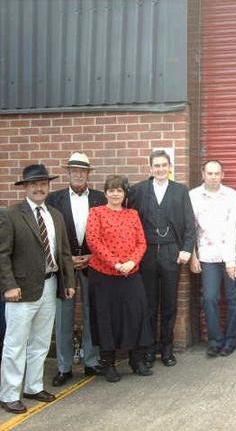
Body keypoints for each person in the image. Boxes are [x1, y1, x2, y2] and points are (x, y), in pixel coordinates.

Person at [0, 164, 75, 414]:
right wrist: (9, 286)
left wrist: (69, 282)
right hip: (20, 290)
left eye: (43, 184)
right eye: (34, 184)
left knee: (40, 342)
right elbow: (2, 254)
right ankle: (9, 394)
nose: (39, 188)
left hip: (50, 284)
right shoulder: (11, 215)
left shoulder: (55, 215)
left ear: (48, 187)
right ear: (25, 187)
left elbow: (64, 252)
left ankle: (33, 386)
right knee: (15, 345)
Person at [129, 150, 196, 367]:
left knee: (169, 303)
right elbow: (129, 222)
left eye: (164, 165)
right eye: (156, 165)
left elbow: (190, 223)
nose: (160, 169)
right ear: (150, 168)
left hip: (171, 252)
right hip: (146, 252)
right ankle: (149, 349)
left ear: (170, 167)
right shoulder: (139, 190)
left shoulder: (180, 190)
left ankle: (167, 349)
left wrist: (186, 249)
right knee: (148, 304)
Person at [46, 153, 107, 387]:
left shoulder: (100, 198)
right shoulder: (54, 199)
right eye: (74, 170)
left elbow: (106, 232)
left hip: (94, 262)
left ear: (88, 173)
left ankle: (91, 361)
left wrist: (94, 255)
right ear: (68, 173)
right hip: (65, 264)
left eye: (83, 171)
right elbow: (49, 234)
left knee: (93, 312)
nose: (79, 174)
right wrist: (66, 258)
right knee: (64, 315)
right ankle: (64, 367)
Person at [86, 175, 154, 383]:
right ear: (105, 192)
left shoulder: (132, 214)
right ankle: (108, 363)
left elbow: (142, 242)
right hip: (104, 275)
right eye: (111, 190)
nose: (115, 194)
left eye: (119, 190)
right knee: (106, 318)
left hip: (130, 274)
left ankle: (137, 359)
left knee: (136, 315)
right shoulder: (96, 213)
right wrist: (115, 263)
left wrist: (132, 262)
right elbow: (93, 241)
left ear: (125, 194)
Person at [189, 160, 236, 357]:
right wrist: (193, 256)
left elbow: (235, 228)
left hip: (230, 255)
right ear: (203, 174)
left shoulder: (232, 195)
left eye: (216, 173)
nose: (213, 177)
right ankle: (215, 340)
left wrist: (232, 259)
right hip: (207, 257)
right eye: (209, 173)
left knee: (234, 299)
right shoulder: (193, 196)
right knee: (210, 298)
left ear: (222, 175)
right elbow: (190, 229)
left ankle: (230, 340)